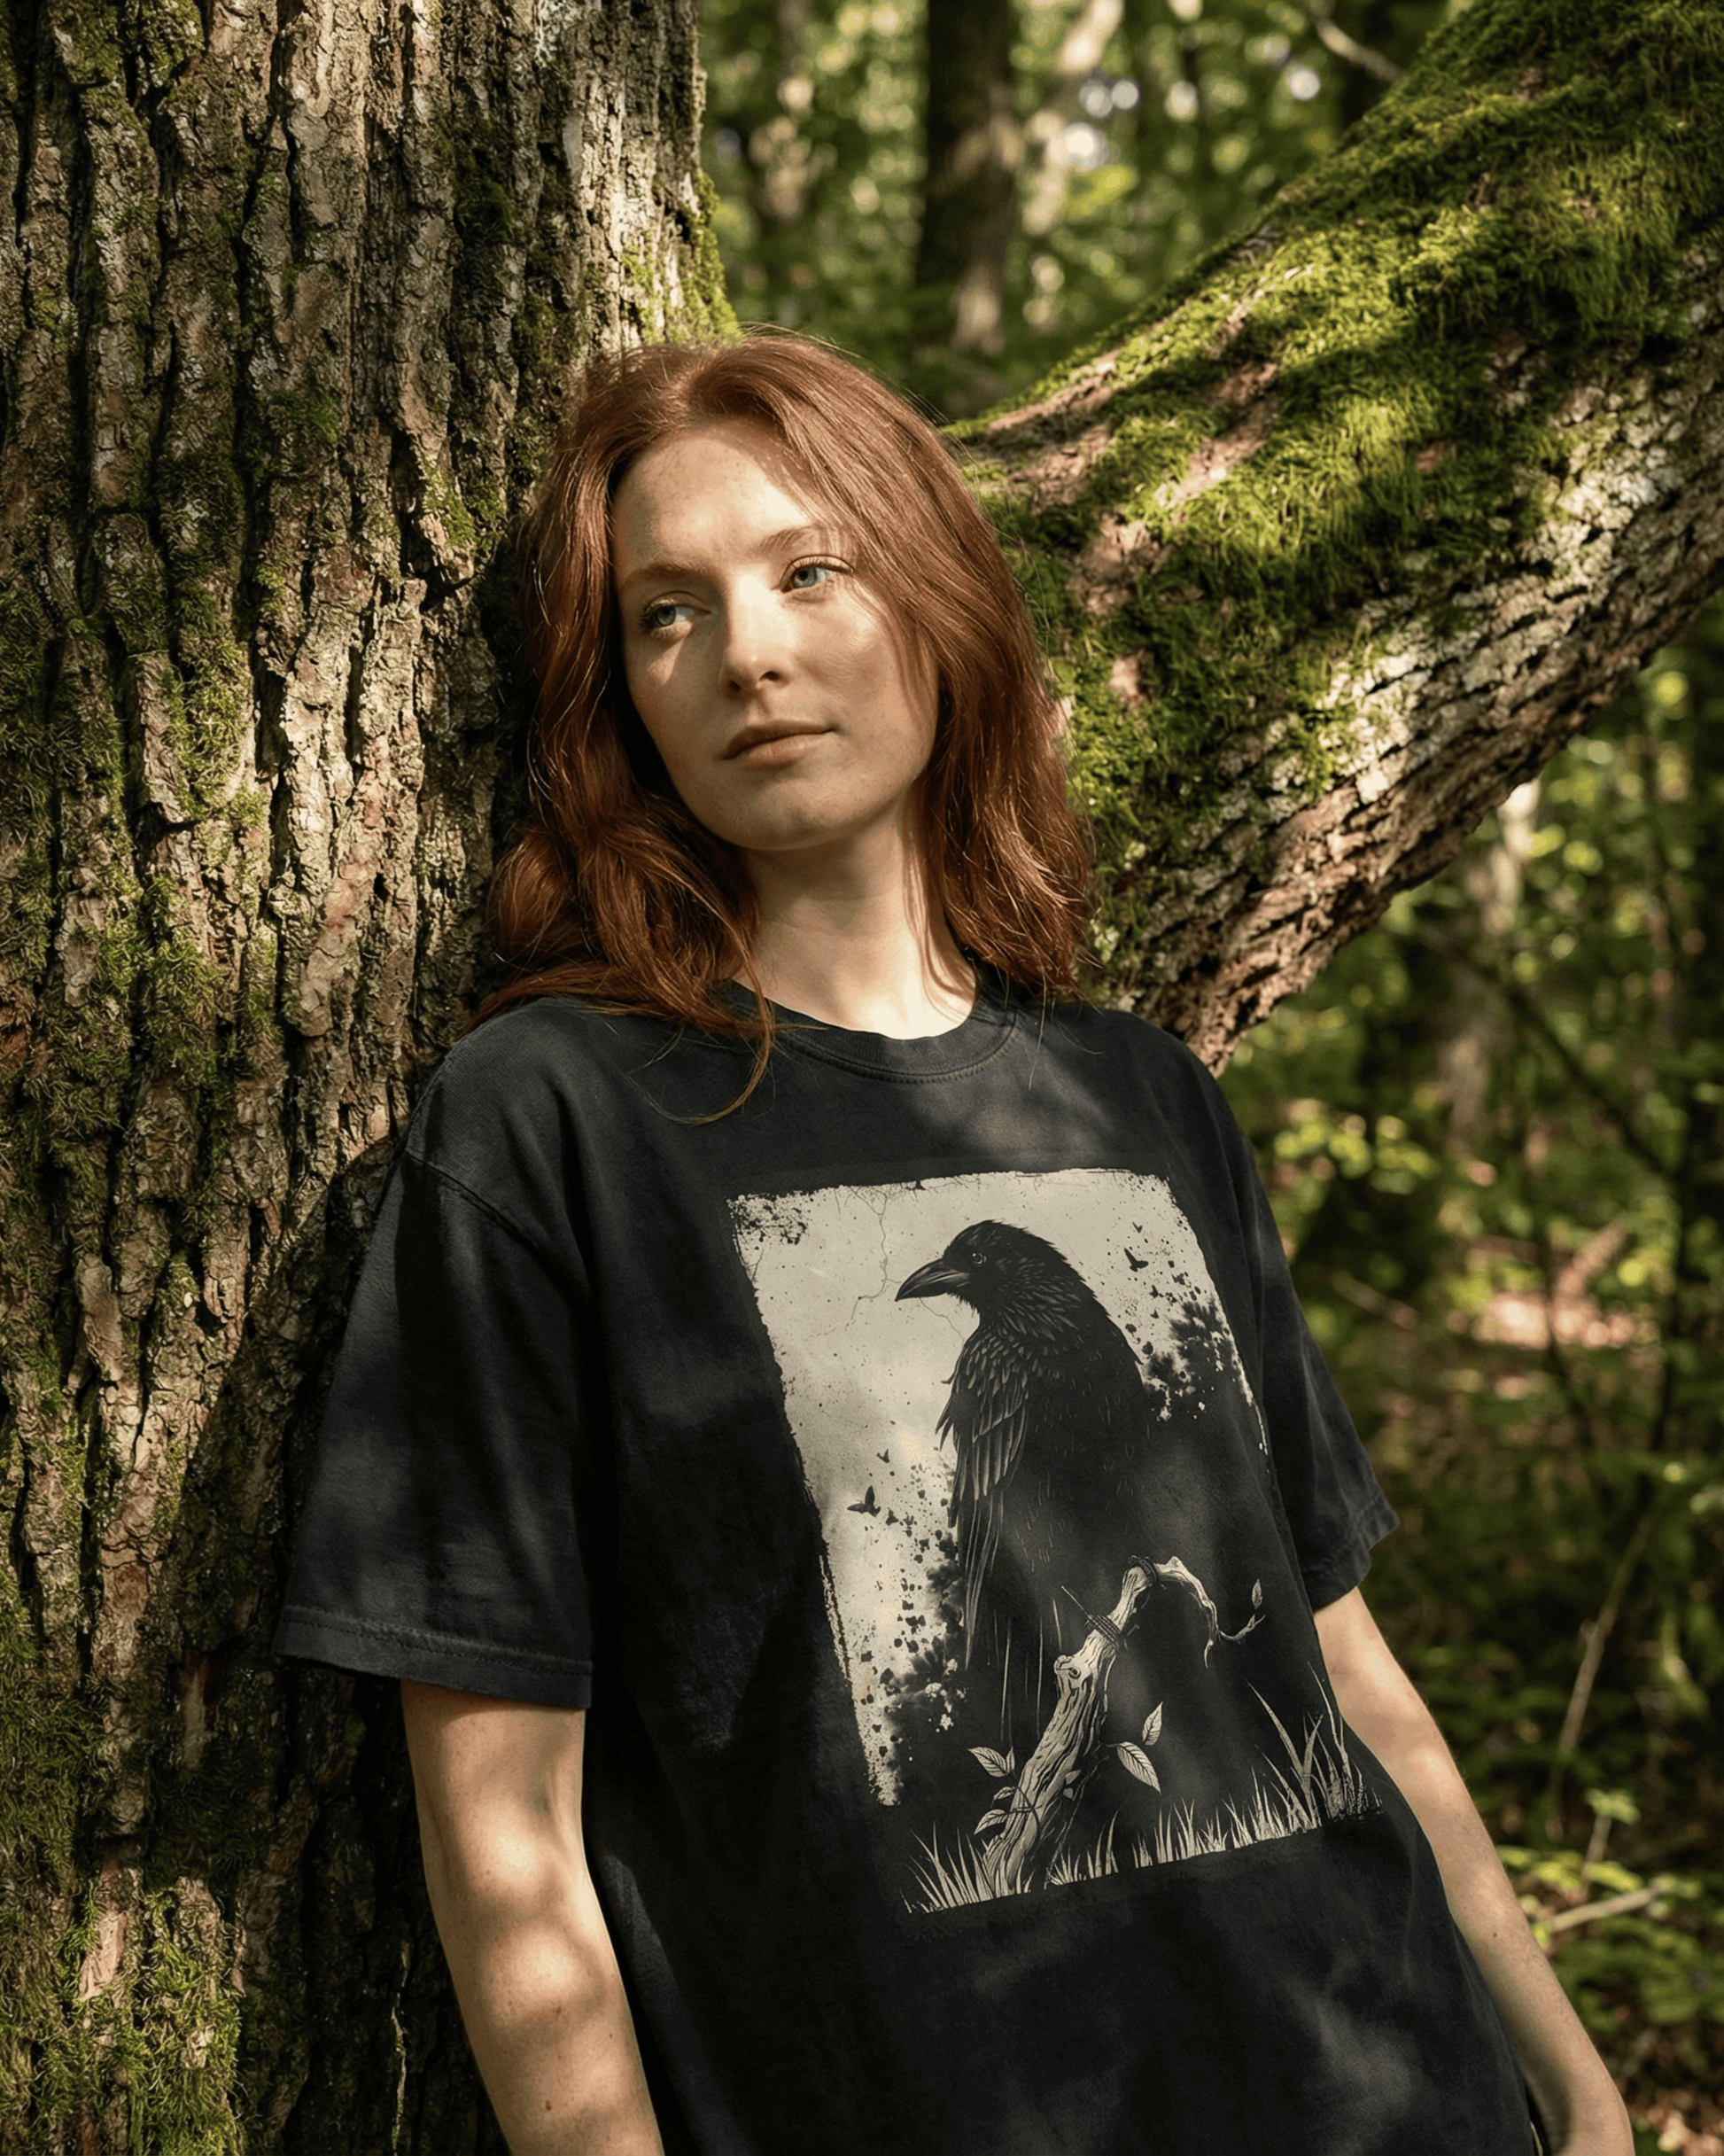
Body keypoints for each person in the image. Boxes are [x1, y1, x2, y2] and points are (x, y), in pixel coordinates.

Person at [275, 332, 1632, 2155]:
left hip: (1383, 2084)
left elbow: (1335, 1645)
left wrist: (1562, 2063)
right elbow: (498, 1805)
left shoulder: (1137, 1098)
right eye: (667, 616)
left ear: (934, 607)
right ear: (624, 703)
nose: (747, 651)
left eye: (807, 570)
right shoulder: (551, 1125)